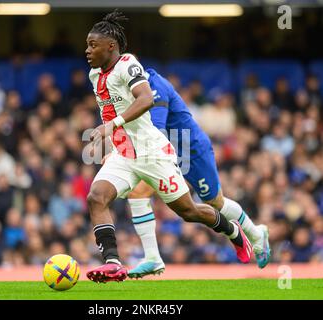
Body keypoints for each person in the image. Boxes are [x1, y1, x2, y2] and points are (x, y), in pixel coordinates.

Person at [84, 10, 252, 283]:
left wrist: (112, 126)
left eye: (93, 44)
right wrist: (111, 142)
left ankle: (232, 231)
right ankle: (113, 262)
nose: (87, 50)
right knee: (96, 197)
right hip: (125, 155)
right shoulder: (95, 75)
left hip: (153, 153)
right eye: (87, 44)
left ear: (110, 46)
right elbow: (111, 108)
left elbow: (146, 98)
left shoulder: (128, 64)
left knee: (189, 211)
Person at [127, 69, 271, 279]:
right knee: (138, 192)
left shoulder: (156, 86)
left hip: (190, 149)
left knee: (215, 202)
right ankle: (152, 257)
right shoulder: (126, 88)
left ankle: (256, 234)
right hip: (163, 151)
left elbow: (155, 130)